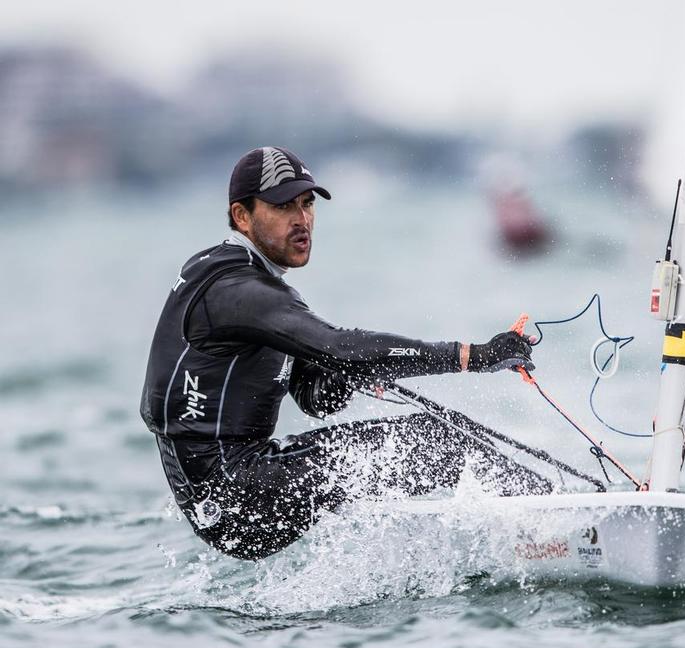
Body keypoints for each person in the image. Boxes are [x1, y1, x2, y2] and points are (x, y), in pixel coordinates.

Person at [140, 146, 549, 561]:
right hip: (236, 492)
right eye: (283, 207)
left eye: (307, 204)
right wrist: (472, 356)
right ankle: (552, 527)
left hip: (232, 497)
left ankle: (526, 528)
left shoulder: (248, 285)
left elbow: (314, 397)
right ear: (242, 216)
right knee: (441, 441)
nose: (302, 220)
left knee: (439, 436)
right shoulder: (236, 289)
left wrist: (349, 372)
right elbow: (339, 346)